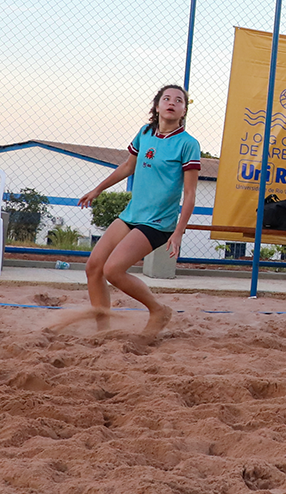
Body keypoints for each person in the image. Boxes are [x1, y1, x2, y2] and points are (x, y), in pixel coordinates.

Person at [78, 84, 200, 341]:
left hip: (158, 222)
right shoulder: (145, 133)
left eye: (178, 100)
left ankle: (158, 310)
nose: (171, 102)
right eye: (166, 98)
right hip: (132, 214)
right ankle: (104, 332)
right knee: (93, 268)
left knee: (113, 270)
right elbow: (128, 166)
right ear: (156, 106)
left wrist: (178, 232)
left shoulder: (188, 144)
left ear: (183, 111)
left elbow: (190, 195)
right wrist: (98, 189)